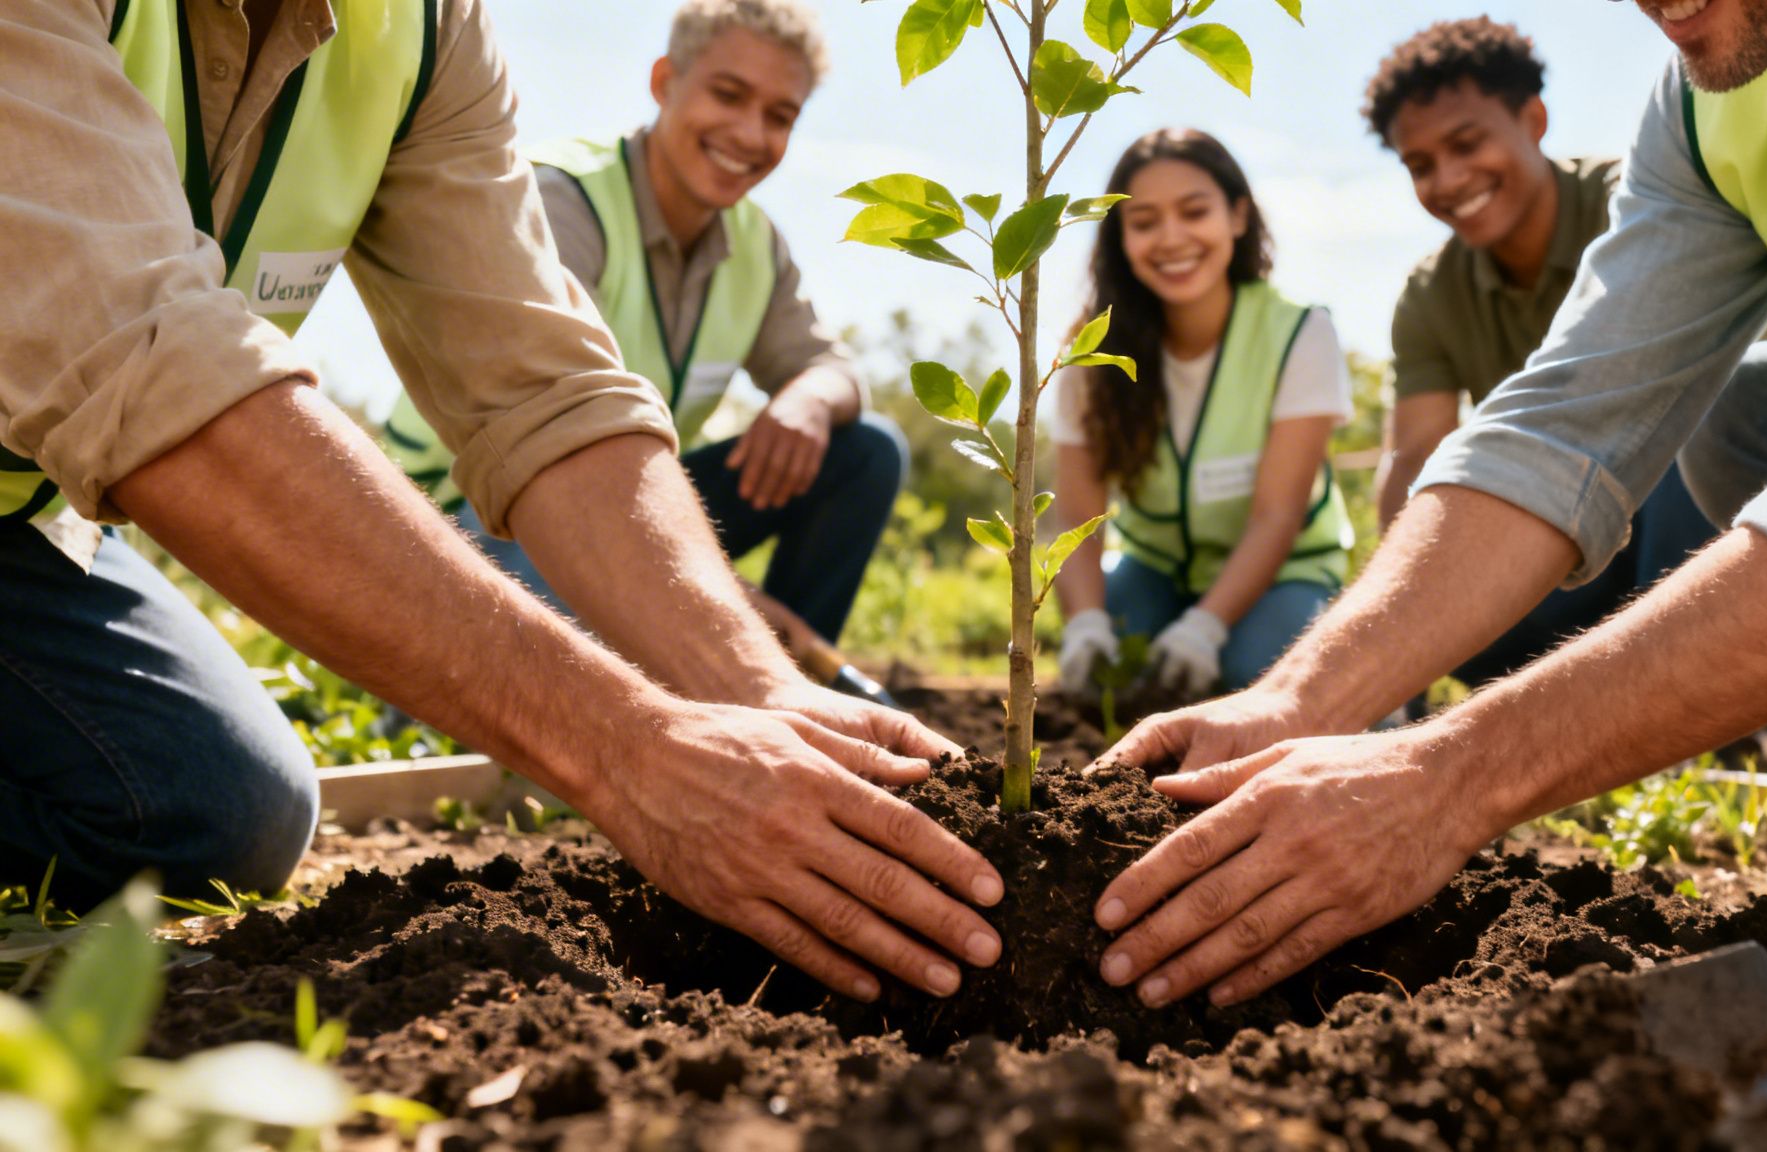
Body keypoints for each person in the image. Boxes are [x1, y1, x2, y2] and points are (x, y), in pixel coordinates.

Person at [0, 0, 1005, 1003]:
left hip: (23, 524)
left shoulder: (418, 29)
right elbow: (138, 347)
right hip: (431, 523)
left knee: (216, 810)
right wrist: (631, 754)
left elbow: (541, 390)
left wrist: (751, 685)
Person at [1084, 0, 1767, 1013]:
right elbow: (1562, 428)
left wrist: (1447, 779)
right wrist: (1297, 702)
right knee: (1751, 421)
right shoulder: (1715, 99)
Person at [382, 0, 903, 705]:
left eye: (780, 116)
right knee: (553, 550)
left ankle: (790, 704)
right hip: (471, 517)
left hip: (621, 499)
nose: (750, 133)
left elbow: (830, 368)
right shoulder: (559, 202)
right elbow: (554, 454)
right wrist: (720, 602)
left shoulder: (755, 245)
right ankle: (737, 692)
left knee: (864, 453)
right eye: (728, 95)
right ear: (664, 81)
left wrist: (808, 397)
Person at [1372, 17, 1719, 694]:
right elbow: (1413, 457)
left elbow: (1721, 397)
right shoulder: (1431, 294)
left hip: (1702, 518)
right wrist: (1389, 638)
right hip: (1572, 543)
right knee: (1451, 629)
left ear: (1533, 119)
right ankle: (1582, 696)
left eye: (1467, 144)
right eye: (1420, 165)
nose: (1449, 179)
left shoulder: (1640, 203)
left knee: (1698, 433)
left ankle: (1697, 691)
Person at [1050, 129, 1354, 700]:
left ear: (1238, 216)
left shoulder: (1299, 334)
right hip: (1156, 570)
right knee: (1110, 681)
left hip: (1287, 569)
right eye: (1143, 223)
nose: (1172, 238)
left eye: (1195, 212)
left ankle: (1380, 706)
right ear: (1120, 238)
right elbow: (1077, 512)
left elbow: (1277, 514)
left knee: (1257, 676)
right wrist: (1086, 622)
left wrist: (1204, 628)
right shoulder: (1091, 351)